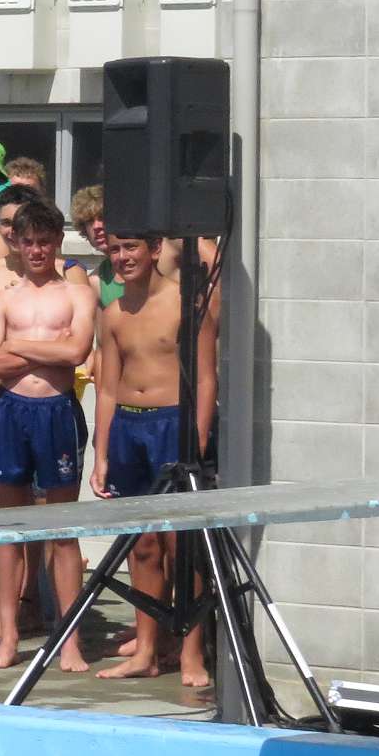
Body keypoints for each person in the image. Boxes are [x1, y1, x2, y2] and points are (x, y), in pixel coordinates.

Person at [0, 197, 96, 672]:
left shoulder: (78, 295)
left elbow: (78, 351)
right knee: (10, 529)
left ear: (58, 242)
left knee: (62, 531)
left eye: (45, 241)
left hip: (56, 412)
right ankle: (8, 637)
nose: (37, 250)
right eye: (29, 242)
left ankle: (69, 640)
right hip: (11, 412)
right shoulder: (2, 299)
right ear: (17, 244)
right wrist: (50, 349)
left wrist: (16, 343)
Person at [93, 232, 216, 687]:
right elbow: (107, 388)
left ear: (154, 250)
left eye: (131, 248)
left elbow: (206, 378)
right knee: (141, 544)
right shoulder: (113, 313)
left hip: (172, 424)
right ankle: (146, 649)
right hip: (129, 426)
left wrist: (196, 438)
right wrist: (101, 453)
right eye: (115, 250)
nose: (122, 257)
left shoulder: (187, 303)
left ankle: (191, 651)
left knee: (182, 546)